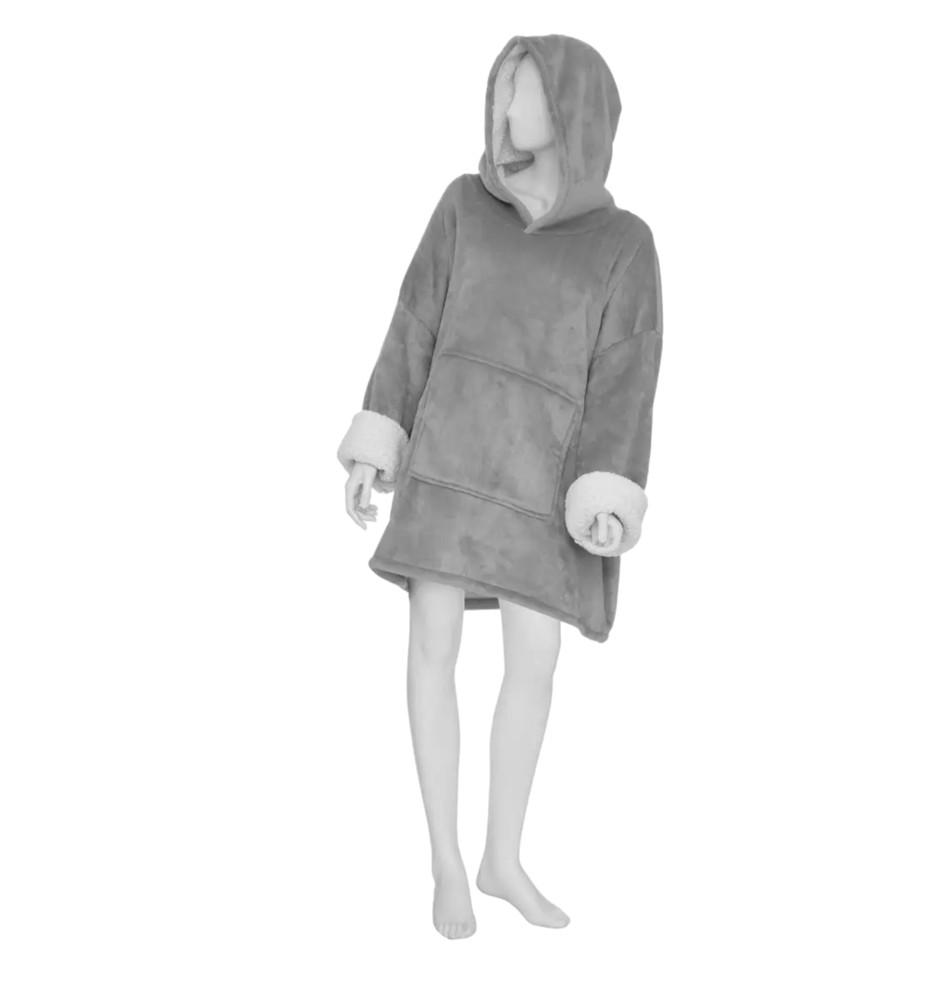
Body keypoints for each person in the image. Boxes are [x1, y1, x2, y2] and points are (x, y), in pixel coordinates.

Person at [337, 34, 663, 939]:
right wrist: (378, 438)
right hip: (446, 466)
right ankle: (446, 860)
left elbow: (626, 379)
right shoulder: (461, 207)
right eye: (504, 88)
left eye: (525, 91)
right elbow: (412, 324)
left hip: (542, 487)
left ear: (571, 110)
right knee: (431, 644)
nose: (505, 107)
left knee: (535, 662)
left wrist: (607, 490)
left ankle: (502, 858)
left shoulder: (624, 245)